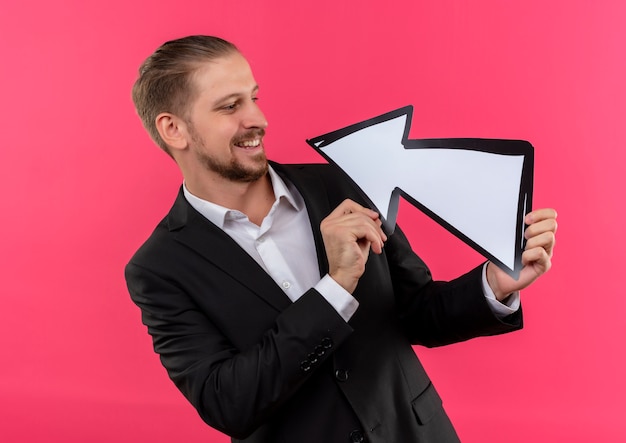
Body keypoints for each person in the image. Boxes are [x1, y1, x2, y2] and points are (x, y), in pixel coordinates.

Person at [125, 35, 557, 443]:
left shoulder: (341, 184)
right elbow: (229, 402)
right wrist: (335, 288)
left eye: (254, 97)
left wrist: (494, 284)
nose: (257, 118)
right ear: (174, 129)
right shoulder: (160, 267)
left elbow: (417, 312)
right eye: (229, 106)